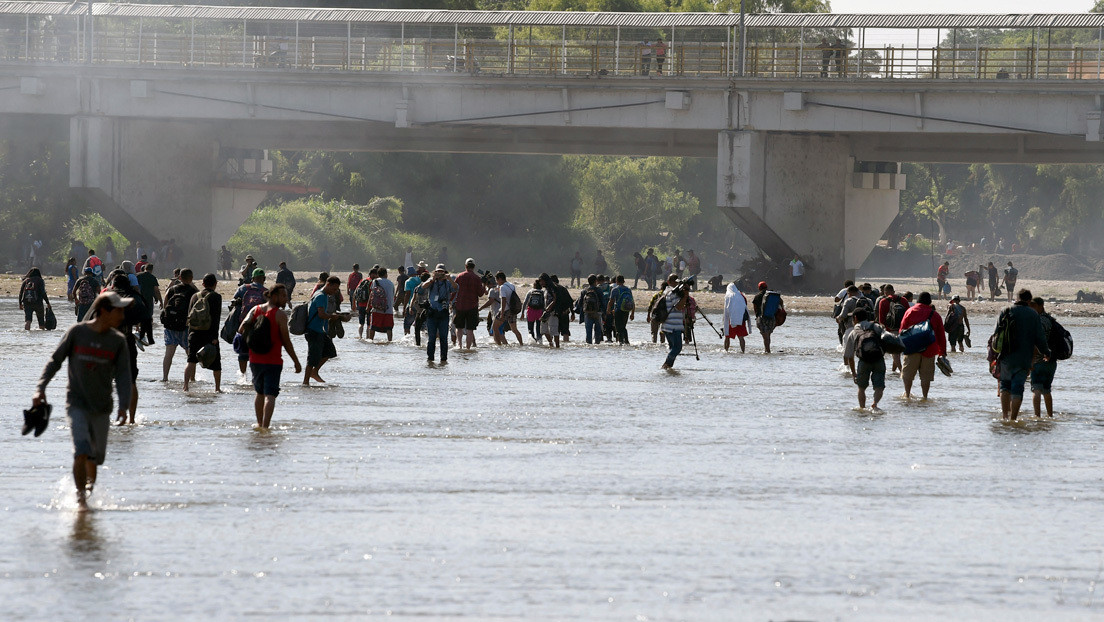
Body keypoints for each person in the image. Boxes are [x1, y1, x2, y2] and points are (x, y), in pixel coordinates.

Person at [33, 291, 134, 511]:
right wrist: (40, 388)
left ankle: (88, 493)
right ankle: (80, 500)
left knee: (95, 458)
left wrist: (124, 406)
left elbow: (124, 377)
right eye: (119, 310)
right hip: (76, 404)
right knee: (81, 450)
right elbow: (55, 361)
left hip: (102, 408)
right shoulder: (77, 333)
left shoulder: (117, 341)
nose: (122, 316)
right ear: (104, 310)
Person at [240, 284, 301, 429]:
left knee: (259, 393)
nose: (286, 299)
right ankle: (266, 427)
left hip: (255, 359)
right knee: (270, 395)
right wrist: (296, 362)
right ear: (274, 296)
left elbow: (241, 328)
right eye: (284, 296)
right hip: (273, 361)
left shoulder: (256, 309)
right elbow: (286, 341)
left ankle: (259, 424)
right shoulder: (279, 315)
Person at [994, 289, 1049, 421]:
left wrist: (994, 354)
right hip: (1024, 357)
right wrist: (1046, 352)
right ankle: (1013, 418)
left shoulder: (1006, 310)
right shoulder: (1033, 314)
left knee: (1005, 386)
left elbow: (996, 334)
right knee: (1017, 387)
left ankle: (1004, 417)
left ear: (1016, 298)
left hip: (1006, 355)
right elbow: (1039, 338)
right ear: (1029, 300)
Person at [898, 292, 946, 401]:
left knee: (908, 375)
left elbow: (902, 330)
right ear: (929, 302)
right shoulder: (935, 315)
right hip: (929, 349)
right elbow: (941, 335)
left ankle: (907, 395)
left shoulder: (909, 311)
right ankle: (925, 396)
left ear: (918, 300)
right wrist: (942, 352)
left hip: (911, 348)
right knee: (926, 377)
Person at [183, 273, 223, 393]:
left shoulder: (195, 296)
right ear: (215, 284)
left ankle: (185, 386)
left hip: (194, 333)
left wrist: (190, 334)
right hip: (209, 334)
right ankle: (217, 388)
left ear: (203, 284)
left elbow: (189, 316)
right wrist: (214, 337)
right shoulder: (216, 297)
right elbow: (216, 318)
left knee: (191, 360)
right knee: (216, 364)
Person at [304, 276, 346, 384]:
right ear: (328, 285)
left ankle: (314, 372)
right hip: (313, 330)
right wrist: (333, 316)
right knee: (312, 358)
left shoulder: (323, 295)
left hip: (320, 331)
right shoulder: (321, 296)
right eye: (334, 289)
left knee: (330, 351)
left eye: (337, 289)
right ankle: (305, 382)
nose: (335, 291)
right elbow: (321, 314)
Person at [843, 308, 887, 410]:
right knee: (879, 386)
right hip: (878, 359)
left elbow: (849, 356)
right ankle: (875, 404)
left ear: (855, 318)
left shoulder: (854, 332)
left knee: (861, 388)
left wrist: (854, 373)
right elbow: (887, 340)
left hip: (863, 361)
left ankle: (862, 408)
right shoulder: (876, 327)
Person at [162, 269, 198, 382]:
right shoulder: (193, 291)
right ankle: (192, 379)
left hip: (170, 326)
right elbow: (199, 302)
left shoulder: (172, 290)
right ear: (191, 278)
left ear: (179, 278)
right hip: (186, 327)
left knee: (169, 354)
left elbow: (165, 306)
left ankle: (165, 378)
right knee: (190, 355)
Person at [231, 269, 268, 374]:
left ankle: (243, 376)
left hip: (244, 325)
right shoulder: (266, 292)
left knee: (243, 353)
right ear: (264, 279)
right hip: (258, 327)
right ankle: (255, 377)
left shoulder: (243, 288)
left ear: (252, 278)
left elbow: (233, 303)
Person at [418, 264, 457, 363]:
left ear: (445, 272)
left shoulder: (448, 282)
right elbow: (422, 287)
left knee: (444, 338)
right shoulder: (432, 281)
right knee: (431, 338)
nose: (440, 273)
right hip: (432, 313)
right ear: (435, 272)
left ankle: (443, 359)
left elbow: (456, 288)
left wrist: (450, 279)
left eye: (442, 271)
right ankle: (430, 359)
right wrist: (433, 278)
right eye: (438, 271)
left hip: (443, 313)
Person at [1029, 297, 1058, 418]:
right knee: (1047, 390)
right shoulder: (1050, 320)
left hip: (1039, 361)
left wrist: (1031, 361)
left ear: (1040, 306)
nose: (1031, 309)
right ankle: (1050, 416)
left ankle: (1037, 417)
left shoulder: (1038, 321)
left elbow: (1036, 343)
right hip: (1051, 360)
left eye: (1033, 306)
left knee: (1036, 389)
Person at [452, 258, 486, 349]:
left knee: (459, 327)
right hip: (472, 306)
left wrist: (450, 301)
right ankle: (468, 347)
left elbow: (454, 289)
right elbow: (481, 293)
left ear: (466, 266)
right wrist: (484, 284)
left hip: (460, 305)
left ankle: (459, 346)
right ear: (474, 267)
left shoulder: (459, 276)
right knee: (470, 329)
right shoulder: (477, 278)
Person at [660, 274, 688, 370]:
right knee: (677, 348)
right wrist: (685, 296)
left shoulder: (666, 292)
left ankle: (668, 367)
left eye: (678, 282)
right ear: (669, 282)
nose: (677, 284)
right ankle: (665, 365)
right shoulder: (673, 293)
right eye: (675, 282)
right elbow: (678, 307)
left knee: (673, 348)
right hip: (673, 327)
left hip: (667, 326)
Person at [493, 272, 525, 346]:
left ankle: (499, 345)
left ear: (500, 279)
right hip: (513, 310)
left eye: (497, 280)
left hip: (505, 310)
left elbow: (503, 300)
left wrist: (502, 313)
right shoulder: (511, 285)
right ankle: (521, 344)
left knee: (495, 327)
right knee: (514, 329)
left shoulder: (502, 287)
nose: (497, 282)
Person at [751, 281, 783, 354]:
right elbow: (781, 302)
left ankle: (767, 351)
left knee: (765, 336)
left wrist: (757, 317)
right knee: (768, 335)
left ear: (759, 288)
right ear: (766, 287)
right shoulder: (772, 295)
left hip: (762, 318)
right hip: (772, 318)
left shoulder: (757, 296)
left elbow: (755, 308)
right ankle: (767, 350)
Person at [135, 263, 162, 345]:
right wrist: (161, 301)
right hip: (148, 300)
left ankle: (137, 331)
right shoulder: (153, 278)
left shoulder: (138, 276)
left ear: (144, 268)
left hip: (139, 299)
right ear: (152, 269)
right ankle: (144, 335)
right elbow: (156, 290)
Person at [368, 268, 396, 342]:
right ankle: (390, 341)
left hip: (377, 309)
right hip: (388, 309)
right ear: (386, 274)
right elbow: (393, 295)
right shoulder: (391, 283)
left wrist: (368, 306)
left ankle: (370, 341)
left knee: (373, 327)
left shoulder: (375, 281)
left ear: (378, 274)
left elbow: (372, 294)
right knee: (389, 328)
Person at [722, 280, 750, 353]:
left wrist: (724, 320)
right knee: (741, 337)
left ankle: (726, 351)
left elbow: (726, 309)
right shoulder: (741, 295)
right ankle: (743, 351)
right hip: (741, 319)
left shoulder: (728, 296)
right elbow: (745, 306)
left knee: (727, 336)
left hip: (731, 319)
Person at [607, 275, 634, 344]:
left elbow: (611, 301)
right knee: (623, 326)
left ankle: (621, 342)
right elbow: (632, 302)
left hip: (618, 310)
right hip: (626, 310)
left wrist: (608, 309)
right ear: (624, 281)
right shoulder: (628, 289)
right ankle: (627, 341)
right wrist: (632, 313)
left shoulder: (615, 289)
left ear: (616, 281)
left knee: (618, 327)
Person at [578, 274, 604, 344]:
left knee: (588, 332)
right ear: (596, 281)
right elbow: (602, 302)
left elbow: (580, 303)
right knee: (598, 331)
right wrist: (604, 313)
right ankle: (597, 344)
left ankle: (589, 345)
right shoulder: (599, 290)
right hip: (597, 313)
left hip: (587, 313)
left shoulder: (584, 291)